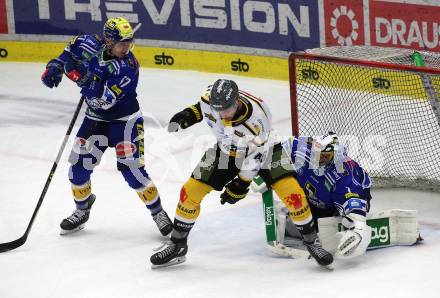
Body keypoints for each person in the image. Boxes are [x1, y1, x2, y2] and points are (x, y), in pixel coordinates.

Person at [149, 79, 333, 268]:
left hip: (266, 150)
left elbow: (256, 157)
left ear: (236, 101)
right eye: (218, 109)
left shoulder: (256, 120)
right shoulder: (211, 98)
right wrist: (187, 115)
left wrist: (241, 184)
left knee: (293, 194)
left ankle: (312, 242)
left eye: (227, 109)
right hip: (226, 150)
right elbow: (202, 108)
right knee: (190, 191)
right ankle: (178, 244)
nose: (222, 114)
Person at [41, 17, 172, 236]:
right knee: (78, 169)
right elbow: (69, 52)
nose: (126, 48)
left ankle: (158, 212)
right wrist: (55, 65)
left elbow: (102, 100)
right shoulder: (89, 43)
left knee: (133, 172)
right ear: (108, 40)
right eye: (122, 42)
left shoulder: (128, 67)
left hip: (125, 122)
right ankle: (82, 209)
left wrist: (79, 77)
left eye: (129, 42)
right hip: (95, 121)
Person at [280, 133, 372, 259]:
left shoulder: (343, 176)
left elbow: (353, 202)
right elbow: (274, 145)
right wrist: (267, 171)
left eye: (324, 156)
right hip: (314, 197)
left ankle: (337, 220)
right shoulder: (303, 148)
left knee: (340, 222)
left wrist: (359, 229)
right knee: (293, 224)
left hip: (336, 203)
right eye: (316, 154)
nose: (318, 159)